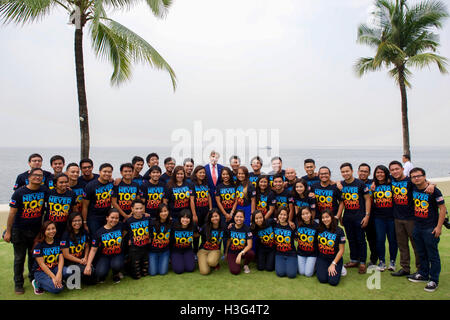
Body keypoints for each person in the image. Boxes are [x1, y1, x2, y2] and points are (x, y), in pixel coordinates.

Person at [4, 167, 48, 294]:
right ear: (29, 177)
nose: (38, 177)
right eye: (35, 175)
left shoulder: (44, 190)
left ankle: (33, 278)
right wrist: (8, 231)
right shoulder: (19, 193)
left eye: (40, 176)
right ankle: (18, 284)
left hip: (35, 230)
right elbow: (12, 214)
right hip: (19, 230)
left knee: (33, 256)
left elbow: (55, 193)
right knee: (19, 258)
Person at [407, 168, 446, 292]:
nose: (416, 178)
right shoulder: (413, 187)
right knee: (421, 252)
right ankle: (423, 274)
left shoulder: (434, 191)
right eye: (413, 176)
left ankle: (434, 279)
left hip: (430, 227)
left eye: (418, 176)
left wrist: (438, 227)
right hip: (417, 226)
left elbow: (443, 209)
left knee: (432, 255)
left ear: (424, 176)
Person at [336, 163, 371, 274]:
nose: (345, 173)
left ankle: (362, 262)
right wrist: (340, 216)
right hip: (347, 217)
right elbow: (341, 201)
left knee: (360, 240)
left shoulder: (360, 184)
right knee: (351, 239)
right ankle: (354, 260)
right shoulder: (341, 184)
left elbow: (367, 199)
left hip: (359, 216)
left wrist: (367, 215)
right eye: (343, 172)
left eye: (347, 171)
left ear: (352, 171)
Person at [389, 160, 420, 277]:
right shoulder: (391, 181)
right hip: (397, 218)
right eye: (392, 170)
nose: (395, 171)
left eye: (397, 169)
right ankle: (405, 268)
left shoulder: (410, 181)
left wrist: (432, 185)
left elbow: (424, 183)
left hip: (411, 218)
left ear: (402, 169)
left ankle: (421, 269)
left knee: (416, 245)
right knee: (402, 245)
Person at [84, 209, 125, 284]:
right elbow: (93, 249)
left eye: (116, 218)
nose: (114, 220)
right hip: (105, 256)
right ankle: (106, 269)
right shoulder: (99, 232)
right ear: (107, 218)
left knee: (116, 265)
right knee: (100, 273)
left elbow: (125, 232)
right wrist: (88, 265)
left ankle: (116, 273)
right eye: (112, 217)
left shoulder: (120, 225)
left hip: (118, 254)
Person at [31, 221, 69, 294]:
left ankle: (54, 280)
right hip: (40, 271)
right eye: (48, 229)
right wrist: (54, 278)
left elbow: (61, 258)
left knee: (69, 271)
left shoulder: (57, 241)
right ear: (44, 231)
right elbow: (42, 264)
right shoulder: (38, 245)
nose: (51, 231)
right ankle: (37, 282)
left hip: (54, 268)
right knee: (58, 289)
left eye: (53, 228)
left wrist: (59, 273)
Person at [372, 165, 398, 272]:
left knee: (392, 240)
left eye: (382, 172)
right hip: (379, 217)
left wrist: (431, 183)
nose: (380, 174)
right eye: (377, 172)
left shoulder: (392, 182)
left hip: (392, 217)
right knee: (380, 240)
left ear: (386, 173)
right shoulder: (373, 185)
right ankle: (381, 261)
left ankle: (392, 261)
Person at [61, 212, 95, 284]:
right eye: (74, 221)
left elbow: (87, 246)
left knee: (92, 275)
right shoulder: (65, 235)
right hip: (70, 262)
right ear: (70, 222)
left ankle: (80, 276)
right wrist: (80, 261)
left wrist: (85, 258)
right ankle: (66, 277)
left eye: (79, 220)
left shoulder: (84, 232)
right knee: (74, 280)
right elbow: (66, 254)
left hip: (81, 260)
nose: (77, 223)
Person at [82, 163, 114, 236]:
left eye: (109, 172)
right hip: (94, 217)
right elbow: (85, 206)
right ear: (99, 172)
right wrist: (84, 222)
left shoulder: (111, 183)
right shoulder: (90, 186)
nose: (107, 174)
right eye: (105, 171)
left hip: (107, 216)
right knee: (95, 237)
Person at [316, 209, 346, 286]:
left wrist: (333, 264)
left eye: (327, 217)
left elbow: (341, 250)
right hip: (322, 258)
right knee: (322, 279)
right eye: (323, 218)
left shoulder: (339, 231)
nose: (325, 219)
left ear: (332, 217)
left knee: (333, 282)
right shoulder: (319, 229)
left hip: (334, 259)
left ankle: (340, 267)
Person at [357, 163, 378, 267]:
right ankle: (357, 258)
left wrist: (430, 184)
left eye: (365, 171)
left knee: (372, 239)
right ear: (357, 172)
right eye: (361, 171)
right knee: (358, 239)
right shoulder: (354, 183)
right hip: (357, 215)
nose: (363, 173)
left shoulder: (374, 183)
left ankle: (373, 259)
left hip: (371, 215)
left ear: (369, 173)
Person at [126, 199, 151, 279]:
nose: (139, 210)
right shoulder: (129, 220)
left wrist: (150, 237)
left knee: (145, 272)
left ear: (143, 208)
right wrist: (128, 240)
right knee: (137, 276)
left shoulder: (147, 218)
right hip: (134, 248)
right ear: (132, 209)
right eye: (136, 209)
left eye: (141, 208)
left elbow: (151, 229)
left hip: (145, 247)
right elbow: (124, 233)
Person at [190, 165, 212, 253]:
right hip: (197, 212)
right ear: (196, 174)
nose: (202, 174)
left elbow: (209, 196)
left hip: (206, 211)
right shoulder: (192, 185)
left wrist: (210, 209)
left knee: (205, 231)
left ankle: (203, 249)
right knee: (196, 233)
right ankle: (195, 251)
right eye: (200, 172)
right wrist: (194, 214)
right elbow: (191, 200)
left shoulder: (205, 184)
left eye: (203, 173)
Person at [225, 210, 255, 275]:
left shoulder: (247, 229)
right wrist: (226, 253)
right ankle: (235, 262)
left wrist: (240, 253)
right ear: (234, 217)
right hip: (232, 252)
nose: (239, 219)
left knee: (251, 253)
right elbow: (228, 241)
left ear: (244, 218)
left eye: (241, 217)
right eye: (237, 216)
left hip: (242, 252)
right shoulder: (231, 227)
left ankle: (245, 264)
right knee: (235, 271)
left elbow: (249, 245)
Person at [197, 209, 225, 275]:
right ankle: (205, 260)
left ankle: (214, 262)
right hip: (203, 250)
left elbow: (229, 236)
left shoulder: (223, 226)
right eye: (212, 217)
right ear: (210, 218)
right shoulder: (205, 226)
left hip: (215, 250)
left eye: (216, 216)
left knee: (211, 262)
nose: (214, 218)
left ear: (219, 216)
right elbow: (197, 234)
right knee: (204, 272)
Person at [171, 209, 198, 274]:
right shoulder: (174, 226)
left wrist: (195, 250)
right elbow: (170, 240)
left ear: (190, 219)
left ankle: (186, 259)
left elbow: (197, 236)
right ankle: (174, 259)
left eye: (187, 218)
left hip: (188, 250)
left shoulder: (193, 226)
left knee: (190, 268)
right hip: (176, 250)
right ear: (180, 218)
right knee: (179, 270)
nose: (185, 220)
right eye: (183, 217)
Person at [273, 207, 297, 278]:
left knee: (291, 275)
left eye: (285, 215)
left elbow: (296, 238)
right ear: (278, 215)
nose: (282, 217)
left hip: (291, 253)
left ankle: (292, 264)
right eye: (280, 214)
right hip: (279, 253)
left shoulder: (291, 226)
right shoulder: (274, 224)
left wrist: (290, 222)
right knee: (280, 273)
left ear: (287, 216)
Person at [148, 204, 172, 276]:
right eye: (161, 211)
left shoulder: (171, 222)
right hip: (153, 251)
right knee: (153, 273)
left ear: (168, 212)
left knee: (162, 272)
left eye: (165, 211)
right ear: (158, 213)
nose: (164, 213)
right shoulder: (152, 222)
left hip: (165, 251)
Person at [296, 207, 319, 277]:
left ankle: (316, 265)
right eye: (303, 214)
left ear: (311, 214)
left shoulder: (316, 226)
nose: (305, 216)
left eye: (307, 213)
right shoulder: (298, 225)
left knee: (308, 274)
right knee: (301, 272)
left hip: (312, 253)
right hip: (301, 253)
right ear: (301, 216)